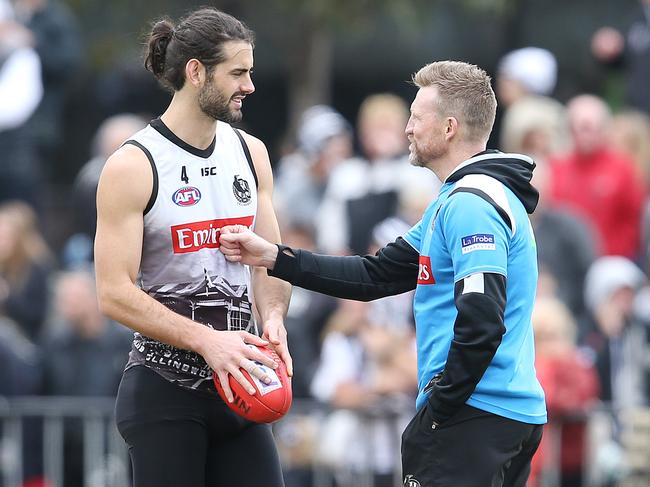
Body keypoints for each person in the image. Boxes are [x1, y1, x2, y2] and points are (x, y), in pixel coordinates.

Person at [220, 60, 547, 486]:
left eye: (415, 117)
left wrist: (440, 408)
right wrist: (275, 257)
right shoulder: (459, 199)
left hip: (475, 415)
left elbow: (483, 318)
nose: (407, 129)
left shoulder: (471, 202)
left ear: (448, 128)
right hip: (497, 413)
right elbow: (376, 275)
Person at [93, 8, 292, 487]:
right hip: (165, 391)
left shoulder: (251, 151)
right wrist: (208, 340)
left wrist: (274, 319)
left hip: (240, 384)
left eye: (250, 72)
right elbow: (113, 292)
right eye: (238, 73)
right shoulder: (134, 164)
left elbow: (270, 261)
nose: (250, 86)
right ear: (196, 71)